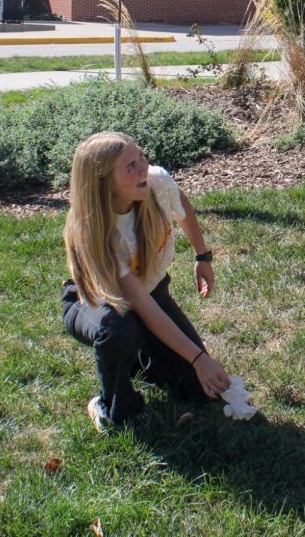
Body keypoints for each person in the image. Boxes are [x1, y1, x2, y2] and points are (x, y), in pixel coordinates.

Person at [60, 131, 231, 431]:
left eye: (141, 156)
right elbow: (137, 302)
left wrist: (202, 256)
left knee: (200, 391)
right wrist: (200, 358)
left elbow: (182, 206)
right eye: (130, 166)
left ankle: (139, 356)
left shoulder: (155, 183)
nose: (143, 167)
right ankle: (111, 406)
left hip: (152, 294)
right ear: (104, 181)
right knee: (119, 329)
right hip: (96, 302)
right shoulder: (98, 230)